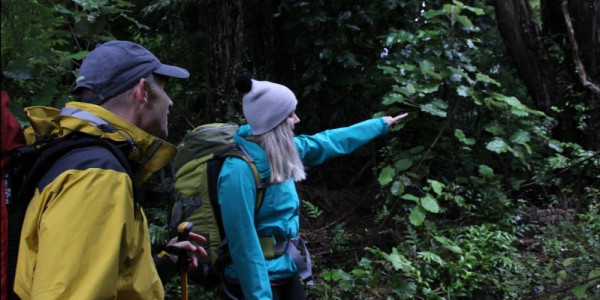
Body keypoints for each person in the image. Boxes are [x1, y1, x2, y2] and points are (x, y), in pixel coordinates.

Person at [13, 40, 207, 300]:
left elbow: (102, 279)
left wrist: (164, 262)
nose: (170, 102)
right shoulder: (96, 175)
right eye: (164, 88)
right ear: (143, 91)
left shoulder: (77, 155)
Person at [218, 75, 407, 300]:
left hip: (285, 269)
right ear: (274, 121)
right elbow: (243, 246)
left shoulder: (283, 151)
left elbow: (328, 142)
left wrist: (378, 125)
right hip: (254, 282)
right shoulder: (237, 171)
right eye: (290, 114)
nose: (296, 119)